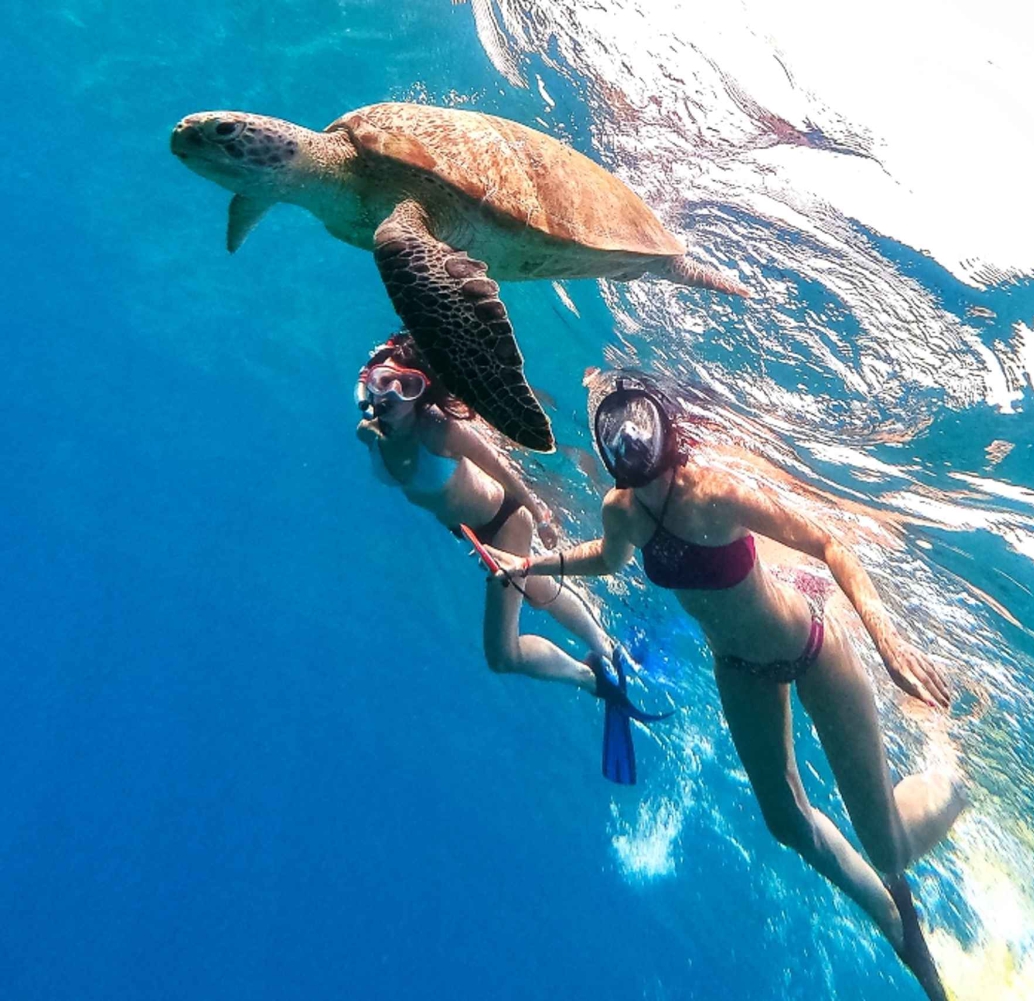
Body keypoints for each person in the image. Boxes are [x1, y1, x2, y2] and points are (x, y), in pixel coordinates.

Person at [481, 373, 966, 999]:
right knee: (786, 822)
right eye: (615, 432)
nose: (628, 442)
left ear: (665, 429)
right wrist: (529, 565)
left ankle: (952, 775)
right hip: (738, 670)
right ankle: (899, 924)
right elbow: (607, 558)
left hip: (811, 645)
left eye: (637, 426)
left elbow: (827, 543)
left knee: (889, 848)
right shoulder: (621, 510)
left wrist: (888, 644)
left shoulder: (717, 493)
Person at [355, 335, 664, 783]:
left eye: (409, 387)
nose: (393, 397)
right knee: (539, 591)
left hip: (504, 523)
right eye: (386, 382)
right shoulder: (369, 434)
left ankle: (596, 679)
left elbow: (501, 468)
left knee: (502, 655)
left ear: (424, 395)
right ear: (368, 381)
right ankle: (607, 647)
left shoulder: (440, 431)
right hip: (474, 534)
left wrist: (541, 515)